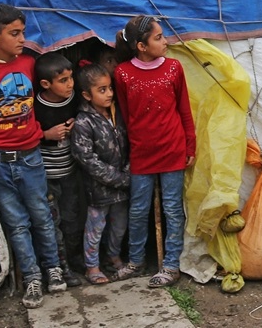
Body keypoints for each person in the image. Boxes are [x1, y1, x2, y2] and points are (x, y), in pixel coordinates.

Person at [0, 4, 65, 308]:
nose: (22, 39)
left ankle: (53, 269)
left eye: (23, 32)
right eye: (14, 33)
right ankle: (32, 278)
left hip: (31, 157)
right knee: (17, 224)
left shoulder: (30, 64)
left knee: (43, 216)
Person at [110, 15, 195, 288]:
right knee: (138, 209)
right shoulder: (122, 73)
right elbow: (124, 114)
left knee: (172, 209)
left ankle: (171, 266)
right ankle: (135, 261)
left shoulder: (174, 68)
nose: (165, 41)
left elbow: (184, 109)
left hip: (172, 148)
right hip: (141, 152)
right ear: (141, 46)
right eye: (158, 38)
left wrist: (189, 144)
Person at [70, 60, 130, 285]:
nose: (109, 94)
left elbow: (130, 144)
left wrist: (127, 172)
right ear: (87, 95)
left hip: (122, 185)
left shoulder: (117, 114)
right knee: (95, 227)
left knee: (119, 225)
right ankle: (92, 266)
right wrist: (119, 178)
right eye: (102, 90)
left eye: (110, 88)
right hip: (99, 189)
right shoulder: (84, 122)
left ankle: (113, 255)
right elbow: (86, 159)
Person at [33, 52, 85, 288]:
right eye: (63, 80)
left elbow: (83, 115)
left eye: (71, 78)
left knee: (72, 220)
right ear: (46, 84)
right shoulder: (35, 105)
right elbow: (23, 133)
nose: (70, 84)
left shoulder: (73, 99)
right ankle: (60, 269)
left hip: (70, 172)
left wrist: (78, 124)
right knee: (52, 224)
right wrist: (46, 135)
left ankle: (76, 263)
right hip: (47, 176)